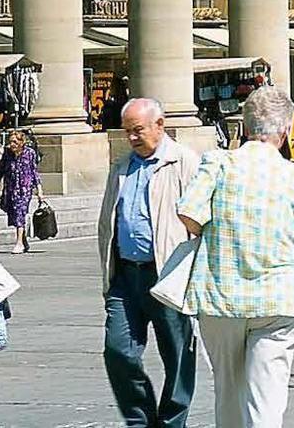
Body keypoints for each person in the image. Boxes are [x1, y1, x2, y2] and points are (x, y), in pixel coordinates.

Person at [175, 86, 294, 428]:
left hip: (220, 297)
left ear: (243, 129)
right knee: (265, 401)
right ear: (284, 134)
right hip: (276, 301)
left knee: (229, 393)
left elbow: (189, 215)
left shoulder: (218, 162)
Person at [98, 97, 200, 427]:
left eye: (137, 130)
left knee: (178, 356)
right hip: (126, 276)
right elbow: (107, 223)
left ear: (160, 124)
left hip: (169, 275)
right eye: (127, 131)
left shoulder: (184, 162)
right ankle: (140, 420)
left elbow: (202, 223)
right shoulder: (122, 167)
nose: (131, 138)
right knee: (119, 351)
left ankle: (172, 422)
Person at [0, 129, 40, 254]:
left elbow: (34, 171)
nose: (12, 144)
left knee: (20, 212)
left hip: (24, 189)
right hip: (10, 188)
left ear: (21, 142)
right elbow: (1, 169)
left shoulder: (29, 153)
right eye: (10, 142)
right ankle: (23, 239)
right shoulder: (7, 153)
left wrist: (39, 190)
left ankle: (19, 242)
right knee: (14, 213)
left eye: (14, 142)